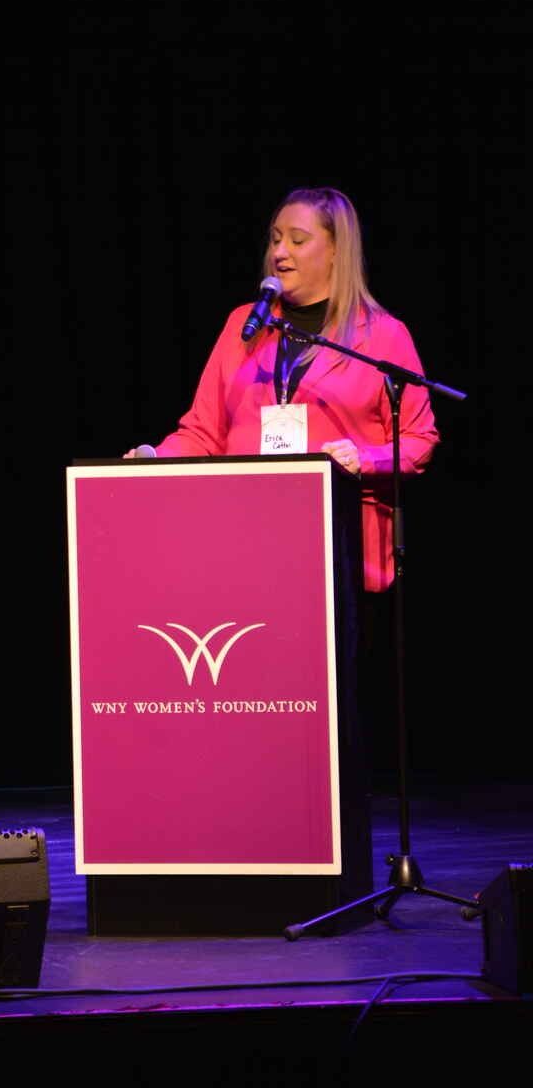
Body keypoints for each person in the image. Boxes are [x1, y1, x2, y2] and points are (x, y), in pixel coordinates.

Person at [124, 186, 440, 781]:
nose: (280, 252)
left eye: (297, 239)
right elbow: (202, 431)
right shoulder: (243, 329)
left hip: (337, 554)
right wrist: (154, 456)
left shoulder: (383, 336)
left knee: (323, 728)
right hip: (245, 550)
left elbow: (420, 438)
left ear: (336, 250)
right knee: (254, 716)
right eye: (274, 239)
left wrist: (365, 456)